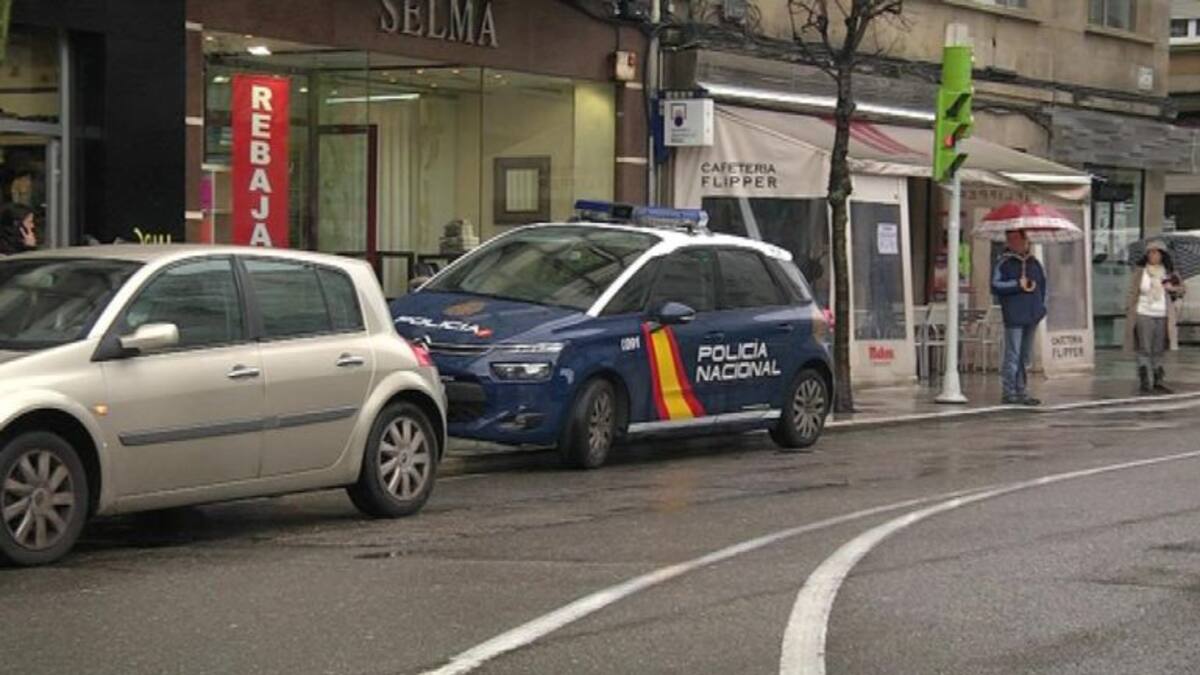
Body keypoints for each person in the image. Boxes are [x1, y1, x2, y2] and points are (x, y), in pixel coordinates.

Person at [991, 229, 1047, 406]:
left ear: (1025, 240)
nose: (1012, 242)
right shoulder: (1004, 263)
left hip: (1031, 314)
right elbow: (995, 285)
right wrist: (1017, 284)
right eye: (1009, 239)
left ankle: (1021, 389)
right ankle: (1009, 391)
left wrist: (1041, 308)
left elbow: (1043, 287)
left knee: (1025, 355)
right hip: (1014, 314)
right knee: (1013, 354)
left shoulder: (1034, 263)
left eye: (1016, 239)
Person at [1124, 240, 1185, 394]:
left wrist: (1172, 288)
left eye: (1157, 252)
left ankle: (1158, 380)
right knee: (1144, 347)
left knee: (1159, 348)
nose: (1153, 255)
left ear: (1162, 255)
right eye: (1150, 252)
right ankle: (1144, 380)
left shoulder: (1169, 272)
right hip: (1143, 312)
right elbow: (1132, 292)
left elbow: (1181, 290)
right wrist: (1129, 309)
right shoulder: (1140, 271)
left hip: (1163, 314)